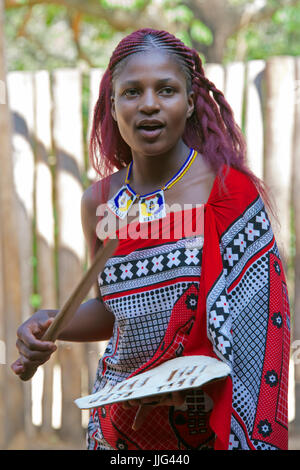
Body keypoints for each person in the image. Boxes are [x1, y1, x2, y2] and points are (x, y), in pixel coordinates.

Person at [11, 28, 290, 451]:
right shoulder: (100, 202)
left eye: (166, 90)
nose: (149, 105)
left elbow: (260, 328)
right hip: (119, 425)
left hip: (206, 424)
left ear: (191, 102)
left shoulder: (229, 194)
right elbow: (113, 309)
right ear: (112, 104)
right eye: (132, 92)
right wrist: (52, 321)